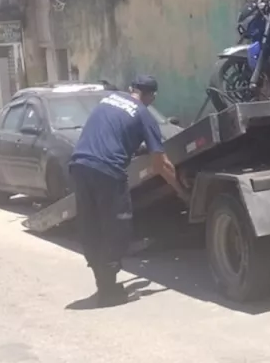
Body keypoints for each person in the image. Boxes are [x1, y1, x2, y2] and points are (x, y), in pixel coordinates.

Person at [69, 75, 186, 306]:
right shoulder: (144, 114)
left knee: (91, 225)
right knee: (117, 227)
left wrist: (135, 146)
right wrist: (181, 191)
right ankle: (108, 290)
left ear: (131, 89)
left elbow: (113, 132)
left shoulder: (108, 100)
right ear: (151, 96)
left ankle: (104, 285)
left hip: (79, 166)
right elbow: (160, 164)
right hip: (108, 171)